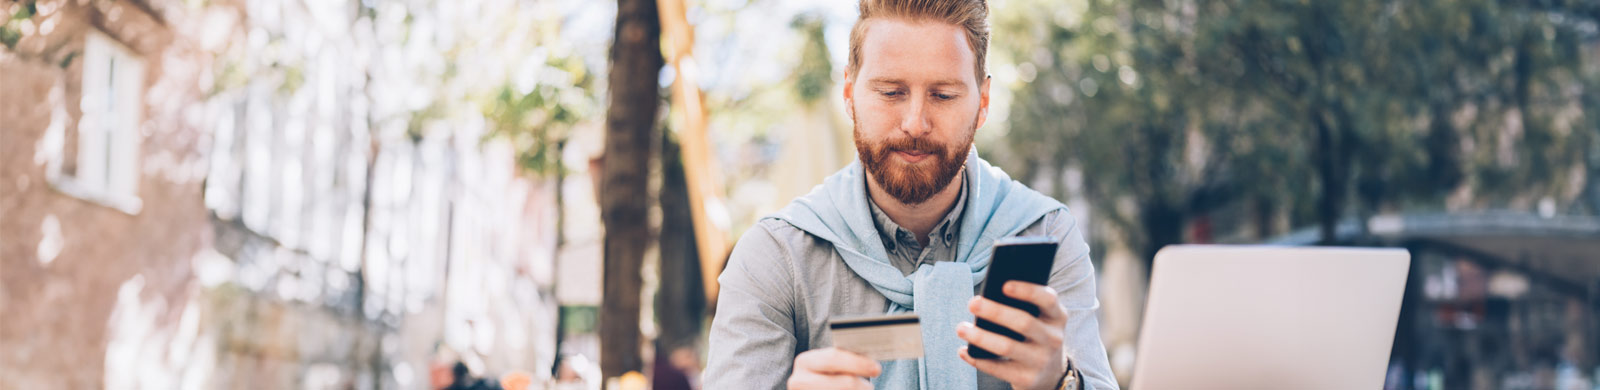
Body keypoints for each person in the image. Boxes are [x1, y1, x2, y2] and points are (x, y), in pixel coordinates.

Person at [702, 0, 1117, 389]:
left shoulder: (1046, 235)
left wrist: (1060, 381)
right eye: (890, 92)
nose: (915, 123)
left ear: (983, 102)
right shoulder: (774, 256)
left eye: (943, 95)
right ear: (849, 94)